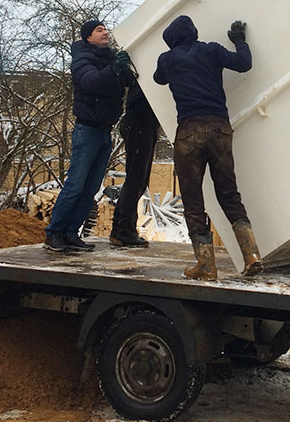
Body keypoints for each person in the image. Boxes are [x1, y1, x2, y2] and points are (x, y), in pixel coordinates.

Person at [153, 15, 263, 280]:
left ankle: (206, 265)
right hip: (220, 128)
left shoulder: (167, 60)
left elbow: (158, 79)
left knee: (193, 200)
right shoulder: (211, 49)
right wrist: (239, 40)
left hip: (189, 131)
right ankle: (252, 255)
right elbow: (244, 64)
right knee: (229, 193)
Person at [44, 20, 133, 252]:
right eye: (99, 30)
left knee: (91, 187)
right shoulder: (82, 58)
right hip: (87, 131)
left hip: (105, 132)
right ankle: (54, 233)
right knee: (75, 184)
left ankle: (71, 233)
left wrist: (126, 68)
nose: (105, 33)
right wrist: (114, 68)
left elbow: (127, 81)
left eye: (105, 29)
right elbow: (90, 81)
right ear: (88, 38)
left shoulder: (111, 58)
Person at [109, 83, 160, 247]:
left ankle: (121, 229)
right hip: (141, 122)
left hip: (142, 122)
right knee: (136, 179)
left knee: (138, 180)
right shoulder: (146, 75)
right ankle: (123, 230)